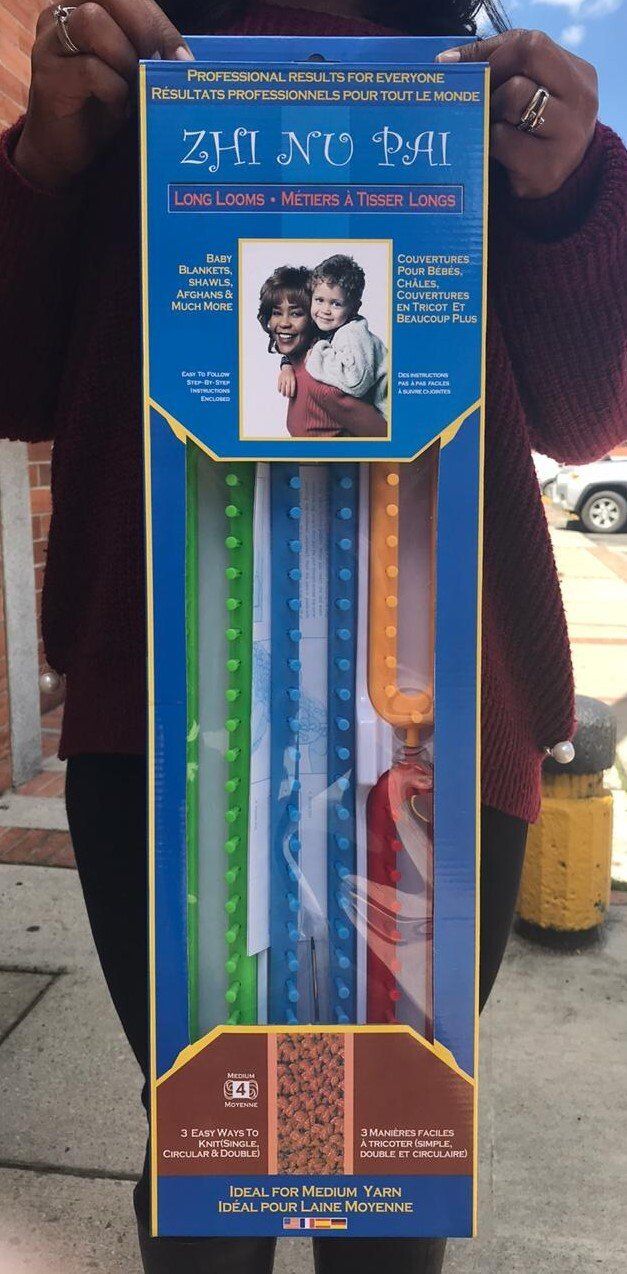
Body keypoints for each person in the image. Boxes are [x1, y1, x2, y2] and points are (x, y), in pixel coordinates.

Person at [0, 0, 625, 1271]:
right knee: (210, 1149)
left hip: (444, 719)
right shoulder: (123, 89)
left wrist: (570, 195)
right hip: (166, 713)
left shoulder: (486, 99)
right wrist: (43, 166)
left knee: (391, 1159)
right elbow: (15, 383)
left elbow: (588, 418)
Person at [257, 262, 388, 437]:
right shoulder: (301, 363)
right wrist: (286, 364)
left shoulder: (324, 377)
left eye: (296, 313)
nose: (284, 323)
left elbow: (385, 434)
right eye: (276, 313)